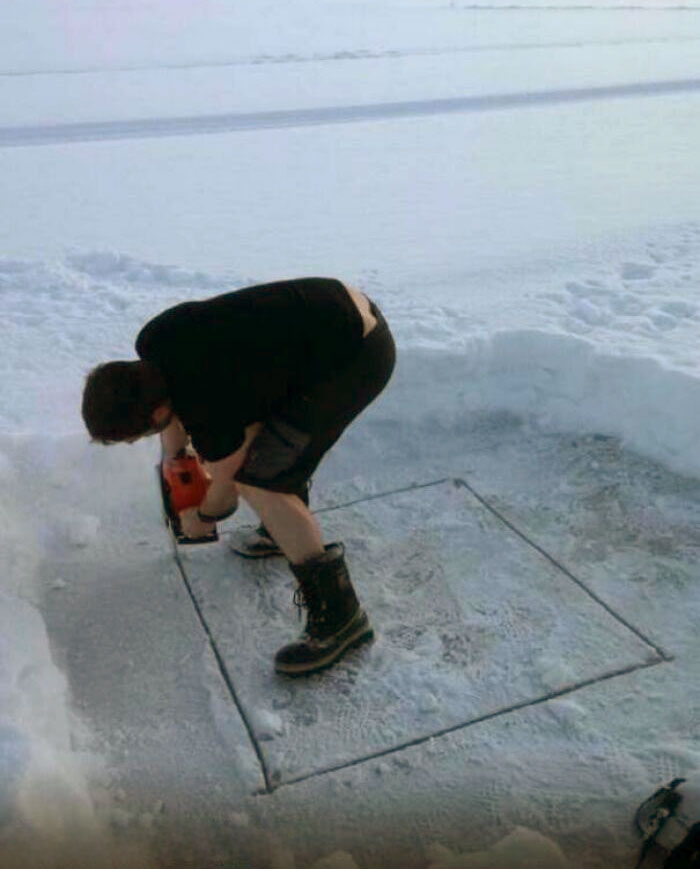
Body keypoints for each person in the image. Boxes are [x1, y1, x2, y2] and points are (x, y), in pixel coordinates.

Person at [81, 277, 396, 676]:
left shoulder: (206, 406)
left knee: (261, 479)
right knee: (268, 453)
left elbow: (228, 489)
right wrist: (175, 457)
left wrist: (202, 519)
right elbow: (178, 408)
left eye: (139, 435)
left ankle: (341, 618)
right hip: (332, 312)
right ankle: (279, 532)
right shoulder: (154, 342)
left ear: (156, 413)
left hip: (356, 357)